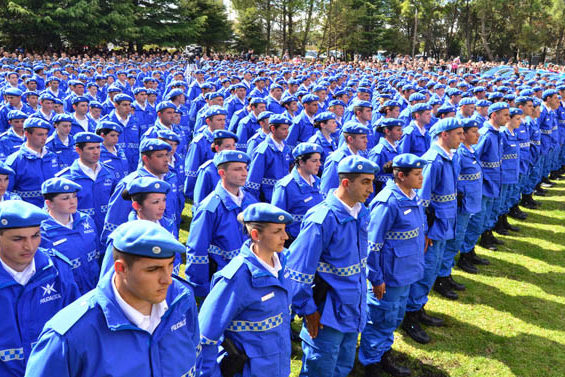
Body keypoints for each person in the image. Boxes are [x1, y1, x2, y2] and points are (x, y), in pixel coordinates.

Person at [25, 220, 200, 377]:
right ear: (121, 268)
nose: (167, 279)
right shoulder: (69, 337)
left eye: (170, 266)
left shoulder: (181, 299)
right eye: (153, 270)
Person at [286, 155, 377, 377]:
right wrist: (308, 310)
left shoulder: (360, 212)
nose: (371, 189)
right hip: (327, 312)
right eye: (365, 182)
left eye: (372, 182)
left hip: (351, 306)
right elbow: (298, 271)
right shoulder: (322, 218)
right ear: (346, 183)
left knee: (343, 365)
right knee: (320, 368)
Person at [198, 203, 293, 377]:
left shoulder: (283, 262)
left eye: (284, 229)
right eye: (277, 231)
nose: (285, 236)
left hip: (277, 367)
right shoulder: (236, 278)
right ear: (256, 235)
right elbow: (205, 335)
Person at [359, 153, 427, 377]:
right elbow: (373, 245)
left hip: (405, 272)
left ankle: (383, 354)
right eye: (417, 174)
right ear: (400, 176)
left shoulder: (412, 195)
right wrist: (376, 278)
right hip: (388, 276)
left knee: (394, 317)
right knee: (380, 317)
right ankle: (371, 363)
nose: (421, 178)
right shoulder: (387, 202)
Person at [0, 200, 79, 377]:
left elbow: (77, 328)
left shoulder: (57, 270)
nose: (29, 246)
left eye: (35, 236)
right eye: (18, 239)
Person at [403, 118, 463, 344]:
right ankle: (410, 316)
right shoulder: (433, 161)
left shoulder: (448, 157)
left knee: (432, 269)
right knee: (424, 271)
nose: (461, 137)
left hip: (443, 224)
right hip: (433, 228)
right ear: (444, 135)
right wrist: (425, 232)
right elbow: (422, 199)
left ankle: (419, 309)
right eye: (457, 133)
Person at [186, 150, 256, 297]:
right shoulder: (210, 207)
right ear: (222, 173)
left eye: (245, 168)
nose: (244, 173)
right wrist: (201, 287)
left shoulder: (250, 201)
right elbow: (197, 248)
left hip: (249, 275)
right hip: (222, 278)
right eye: (237, 169)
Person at [102, 138, 179, 244]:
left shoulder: (170, 178)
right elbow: (114, 223)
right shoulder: (129, 184)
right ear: (146, 159)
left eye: (167, 154)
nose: (166, 159)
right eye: (160, 156)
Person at [99, 176, 176, 276]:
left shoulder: (168, 225)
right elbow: (108, 277)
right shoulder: (123, 238)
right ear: (137, 206)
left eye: (164, 200)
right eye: (155, 202)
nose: (162, 207)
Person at [461, 102, 509, 253]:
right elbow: (475, 158)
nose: (508, 118)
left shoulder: (497, 133)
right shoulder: (486, 135)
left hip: (492, 182)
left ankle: (481, 240)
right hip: (484, 184)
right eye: (505, 115)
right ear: (494, 115)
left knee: (486, 216)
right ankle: (466, 253)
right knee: (476, 219)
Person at [39, 177, 101, 294]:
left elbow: (97, 253)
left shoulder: (86, 220)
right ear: (49, 203)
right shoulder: (41, 231)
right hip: (65, 294)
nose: (73, 201)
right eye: (65, 198)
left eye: (74, 196)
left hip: (93, 288)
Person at [444, 119, 490, 275]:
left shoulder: (471, 150)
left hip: (473, 198)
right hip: (463, 202)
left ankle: (468, 253)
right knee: (456, 237)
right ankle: (444, 274)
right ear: (463, 134)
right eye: (473, 131)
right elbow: (454, 179)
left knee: (470, 229)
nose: (478, 135)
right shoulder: (460, 153)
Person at [58, 132, 117, 234]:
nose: (96, 152)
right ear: (78, 150)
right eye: (91, 148)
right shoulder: (67, 178)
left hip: (106, 230)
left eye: (98, 147)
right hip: (81, 231)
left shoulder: (109, 172)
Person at [271, 142, 325, 245]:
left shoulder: (318, 182)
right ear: (301, 162)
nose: (319, 164)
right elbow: (276, 220)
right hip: (295, 242)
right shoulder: (285, 186)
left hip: (316, 239)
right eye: (314, 161)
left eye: (319, 160)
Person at [6, 117, 59, 207]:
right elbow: (6, 191)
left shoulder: (52, 157)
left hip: (52, 212)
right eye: (40, 135)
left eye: (46, 134)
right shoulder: (15, 160)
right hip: (27, 213)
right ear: (27, 134)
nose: (44, 138)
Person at [244, 116, 293, 202]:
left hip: (282, 195)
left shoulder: (285, 146)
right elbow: (253, 181)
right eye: (283, 129)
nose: (287, 132)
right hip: (268, 197)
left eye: (287, 129)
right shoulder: (263, 150)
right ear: (273, 129)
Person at [184, 105, 228, 200]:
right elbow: (192, 169)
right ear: (208, 121)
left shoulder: (227, 139)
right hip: (206, 188)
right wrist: (192, 194)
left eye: (224, 120)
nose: (223, 123)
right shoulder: (199, 142)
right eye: (219, 120)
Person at [320, 121, 370, 194]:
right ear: (350, 139)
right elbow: (327, 190)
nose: (366, 141)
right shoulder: (337, 160)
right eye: (362, 138)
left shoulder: (362, 155)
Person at [193, 130, 238, 207]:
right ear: (217, 148)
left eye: (233, 145)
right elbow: (199, 202)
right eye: (227, 146)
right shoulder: (208, 170)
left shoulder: (239, 168)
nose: (232, 149)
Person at [368, 118, 403, 192]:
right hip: (382, 191)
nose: (401, 133)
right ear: (387, 131)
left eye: (401, 130)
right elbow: (370, 177)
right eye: (398, 130)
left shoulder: (398, 148)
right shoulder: (379, 151)